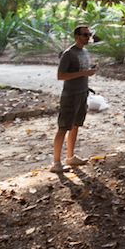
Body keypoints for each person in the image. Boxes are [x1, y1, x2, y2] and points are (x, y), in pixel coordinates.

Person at [51, 23, 98, 172]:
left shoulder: (84, 52)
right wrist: (84, 73)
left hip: (82, 93)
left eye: (89, 35)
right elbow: (61, 75)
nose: (88, 37)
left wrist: (90, 72)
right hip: (70, 95)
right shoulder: (68, 54)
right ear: (76, 36)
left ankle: (70, 157)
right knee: (63, 127)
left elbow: (83, 71)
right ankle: (56, 163)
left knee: (76, 125)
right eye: (85, 35)